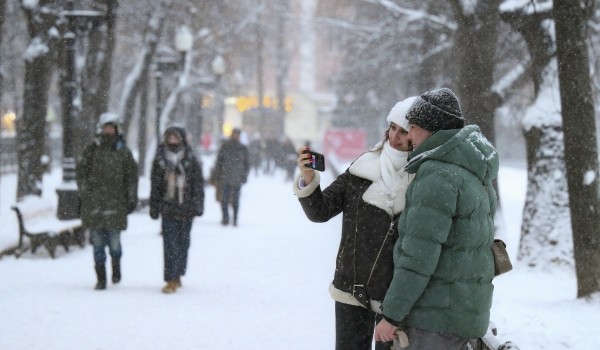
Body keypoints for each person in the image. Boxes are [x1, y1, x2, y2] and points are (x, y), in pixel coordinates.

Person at [374, 88, 499, 349]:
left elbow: (418, 257)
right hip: (464, 315)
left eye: (414, 128)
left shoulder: (437, 176)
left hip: (433, 321)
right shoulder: (473, 172)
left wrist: (392, 315)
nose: (410, 136)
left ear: (432, 131)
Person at [293, 96, 416, 350]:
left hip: (394, 298)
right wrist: (308, 179)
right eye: (393, 128)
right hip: (352, 288)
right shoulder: (363, 168)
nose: (396, 136)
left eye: (404, 132)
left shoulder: (423, 178)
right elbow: (320, 211)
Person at [75, 112, 139, 291]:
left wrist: (131, 198)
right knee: (97, 245)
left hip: (116, 206)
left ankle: (116, 266)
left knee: (115, 244)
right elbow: (81, 171)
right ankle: (101, 278)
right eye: (106, 127)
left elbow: (131, 177)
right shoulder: (92, 150)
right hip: (95, 205)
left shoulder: (123, 152)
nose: (109, 131)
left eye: (111, 127)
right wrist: (85, 191)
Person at [149, 126, 205, 294]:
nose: (172, 140)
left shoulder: (191, 159)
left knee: (183, 243)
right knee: (169, 244)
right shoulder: (159, 160)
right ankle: (171, 279)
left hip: (187, 208)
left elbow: (198, 184)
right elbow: (155, 186)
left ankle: (178, 273)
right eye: (170, 137)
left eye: (175, 137)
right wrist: (154, 206)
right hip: (168, 207)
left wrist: (198, 205)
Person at [213, 128, 250, 226]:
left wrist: (244, 176)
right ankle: (225, 218)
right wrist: (217, 175)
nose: (236, 136)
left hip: (237, 178)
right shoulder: (225, 146)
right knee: (224, 199)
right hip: (225, 177)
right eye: (235, 134)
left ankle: (235, 219)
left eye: (238, 134)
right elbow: (219, 162)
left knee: (236, 201)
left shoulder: (243, 148)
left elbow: (247, 164)